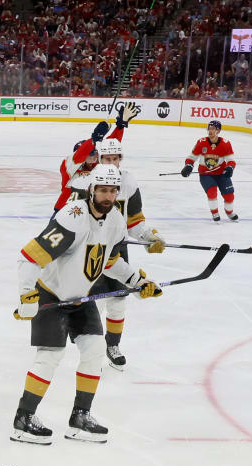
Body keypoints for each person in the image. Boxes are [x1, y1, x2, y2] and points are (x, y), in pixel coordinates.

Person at [12, 164, 160, 445]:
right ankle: (23, 419)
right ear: (91, 190)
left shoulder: (115, 219)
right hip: (52, 295)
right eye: (102, 190)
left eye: (112, 191)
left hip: (81, 298)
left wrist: (137, 282)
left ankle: (80, 417)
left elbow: (110, 261)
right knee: (49, 357)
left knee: (94, 352)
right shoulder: (73, 216)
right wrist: (26, 294)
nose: (107, 196)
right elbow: (30, 256)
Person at [73, 137, 165, 372]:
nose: (112, 163)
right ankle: (92, 354)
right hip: (91, 251)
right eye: (107, 158)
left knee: (118, 302)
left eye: (116, 158)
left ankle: (112, 346)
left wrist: (149, 238)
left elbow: (134, 220)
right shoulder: (88, 182)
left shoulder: (129, 182)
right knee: (96, 303)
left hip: (117, 249)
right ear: (100, 158)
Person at [181, 119, 237, 221]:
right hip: (206, 175)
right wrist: (188, 165)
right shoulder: (201, 142)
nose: (210, 131)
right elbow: (192, 157)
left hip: (221, 174)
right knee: (212, 192)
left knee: (229, 196)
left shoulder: (225, 144)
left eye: (213, 129)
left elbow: (231, 160)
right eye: (209, 128)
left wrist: (229, 168)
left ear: (218, 131)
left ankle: (229, 212)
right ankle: (215, 213)